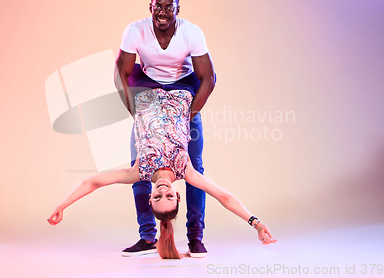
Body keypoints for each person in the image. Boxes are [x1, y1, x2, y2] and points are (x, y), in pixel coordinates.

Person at [48, 88, 277, 259]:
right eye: (169, 197)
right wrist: (255, 223)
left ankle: (164, 239)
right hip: (181, 91)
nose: (163, 192)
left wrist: (62, 206)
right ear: (178, 197)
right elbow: (223, 196)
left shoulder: (139, 172)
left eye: (157, 198)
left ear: (150, 197)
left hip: (147, 90)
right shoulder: (185, 171)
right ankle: (189, 238)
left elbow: (93, 181)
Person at [114, 0, 215, 257]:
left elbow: (209, 78)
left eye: (168, 7)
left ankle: (195, 236)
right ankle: (148, 237)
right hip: (148, 92)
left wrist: (186, 117)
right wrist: (137, 115)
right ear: (150, 8)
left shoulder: (191, 32)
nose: (162, 12)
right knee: (139, 167)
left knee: (196, 169)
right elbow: (121, 74)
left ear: (177, 10)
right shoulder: (135, 30)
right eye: (157, 7)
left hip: (183, 94)